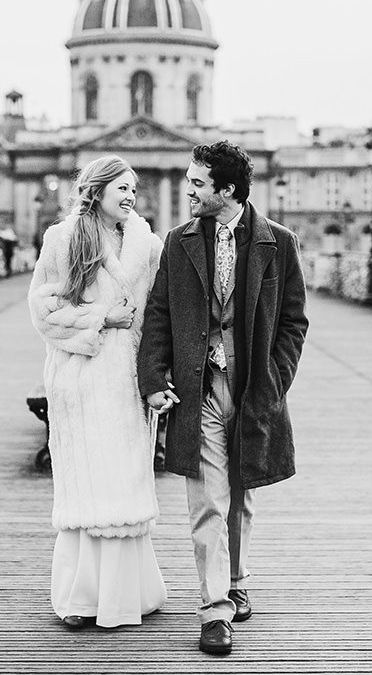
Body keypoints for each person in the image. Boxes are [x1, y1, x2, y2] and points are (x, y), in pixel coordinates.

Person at [138, 141, 308, 655]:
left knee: (243, 490)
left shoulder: (280, 242)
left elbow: (294, 322)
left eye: (196, 182)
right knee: (207, 498)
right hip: (200, 388)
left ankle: (236, 578)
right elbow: (160, 315)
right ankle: (215, 609)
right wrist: (153, 379)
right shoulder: (178, 241)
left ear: (226, 190)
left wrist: (274, 381)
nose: (188, 189)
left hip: (254, 387)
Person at [28, 155, 167, 629]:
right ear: (98, 190)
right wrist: (99, 317)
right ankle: (81, 596)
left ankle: (128, 595)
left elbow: (161, 313)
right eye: (121, 188)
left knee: (124, 479)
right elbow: (43, 309)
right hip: (82, 375)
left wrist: (157, 375)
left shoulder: (147, 242)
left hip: (128, 378)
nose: (130, 196)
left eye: (134, 188)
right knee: (89, 481)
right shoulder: (63, 238)